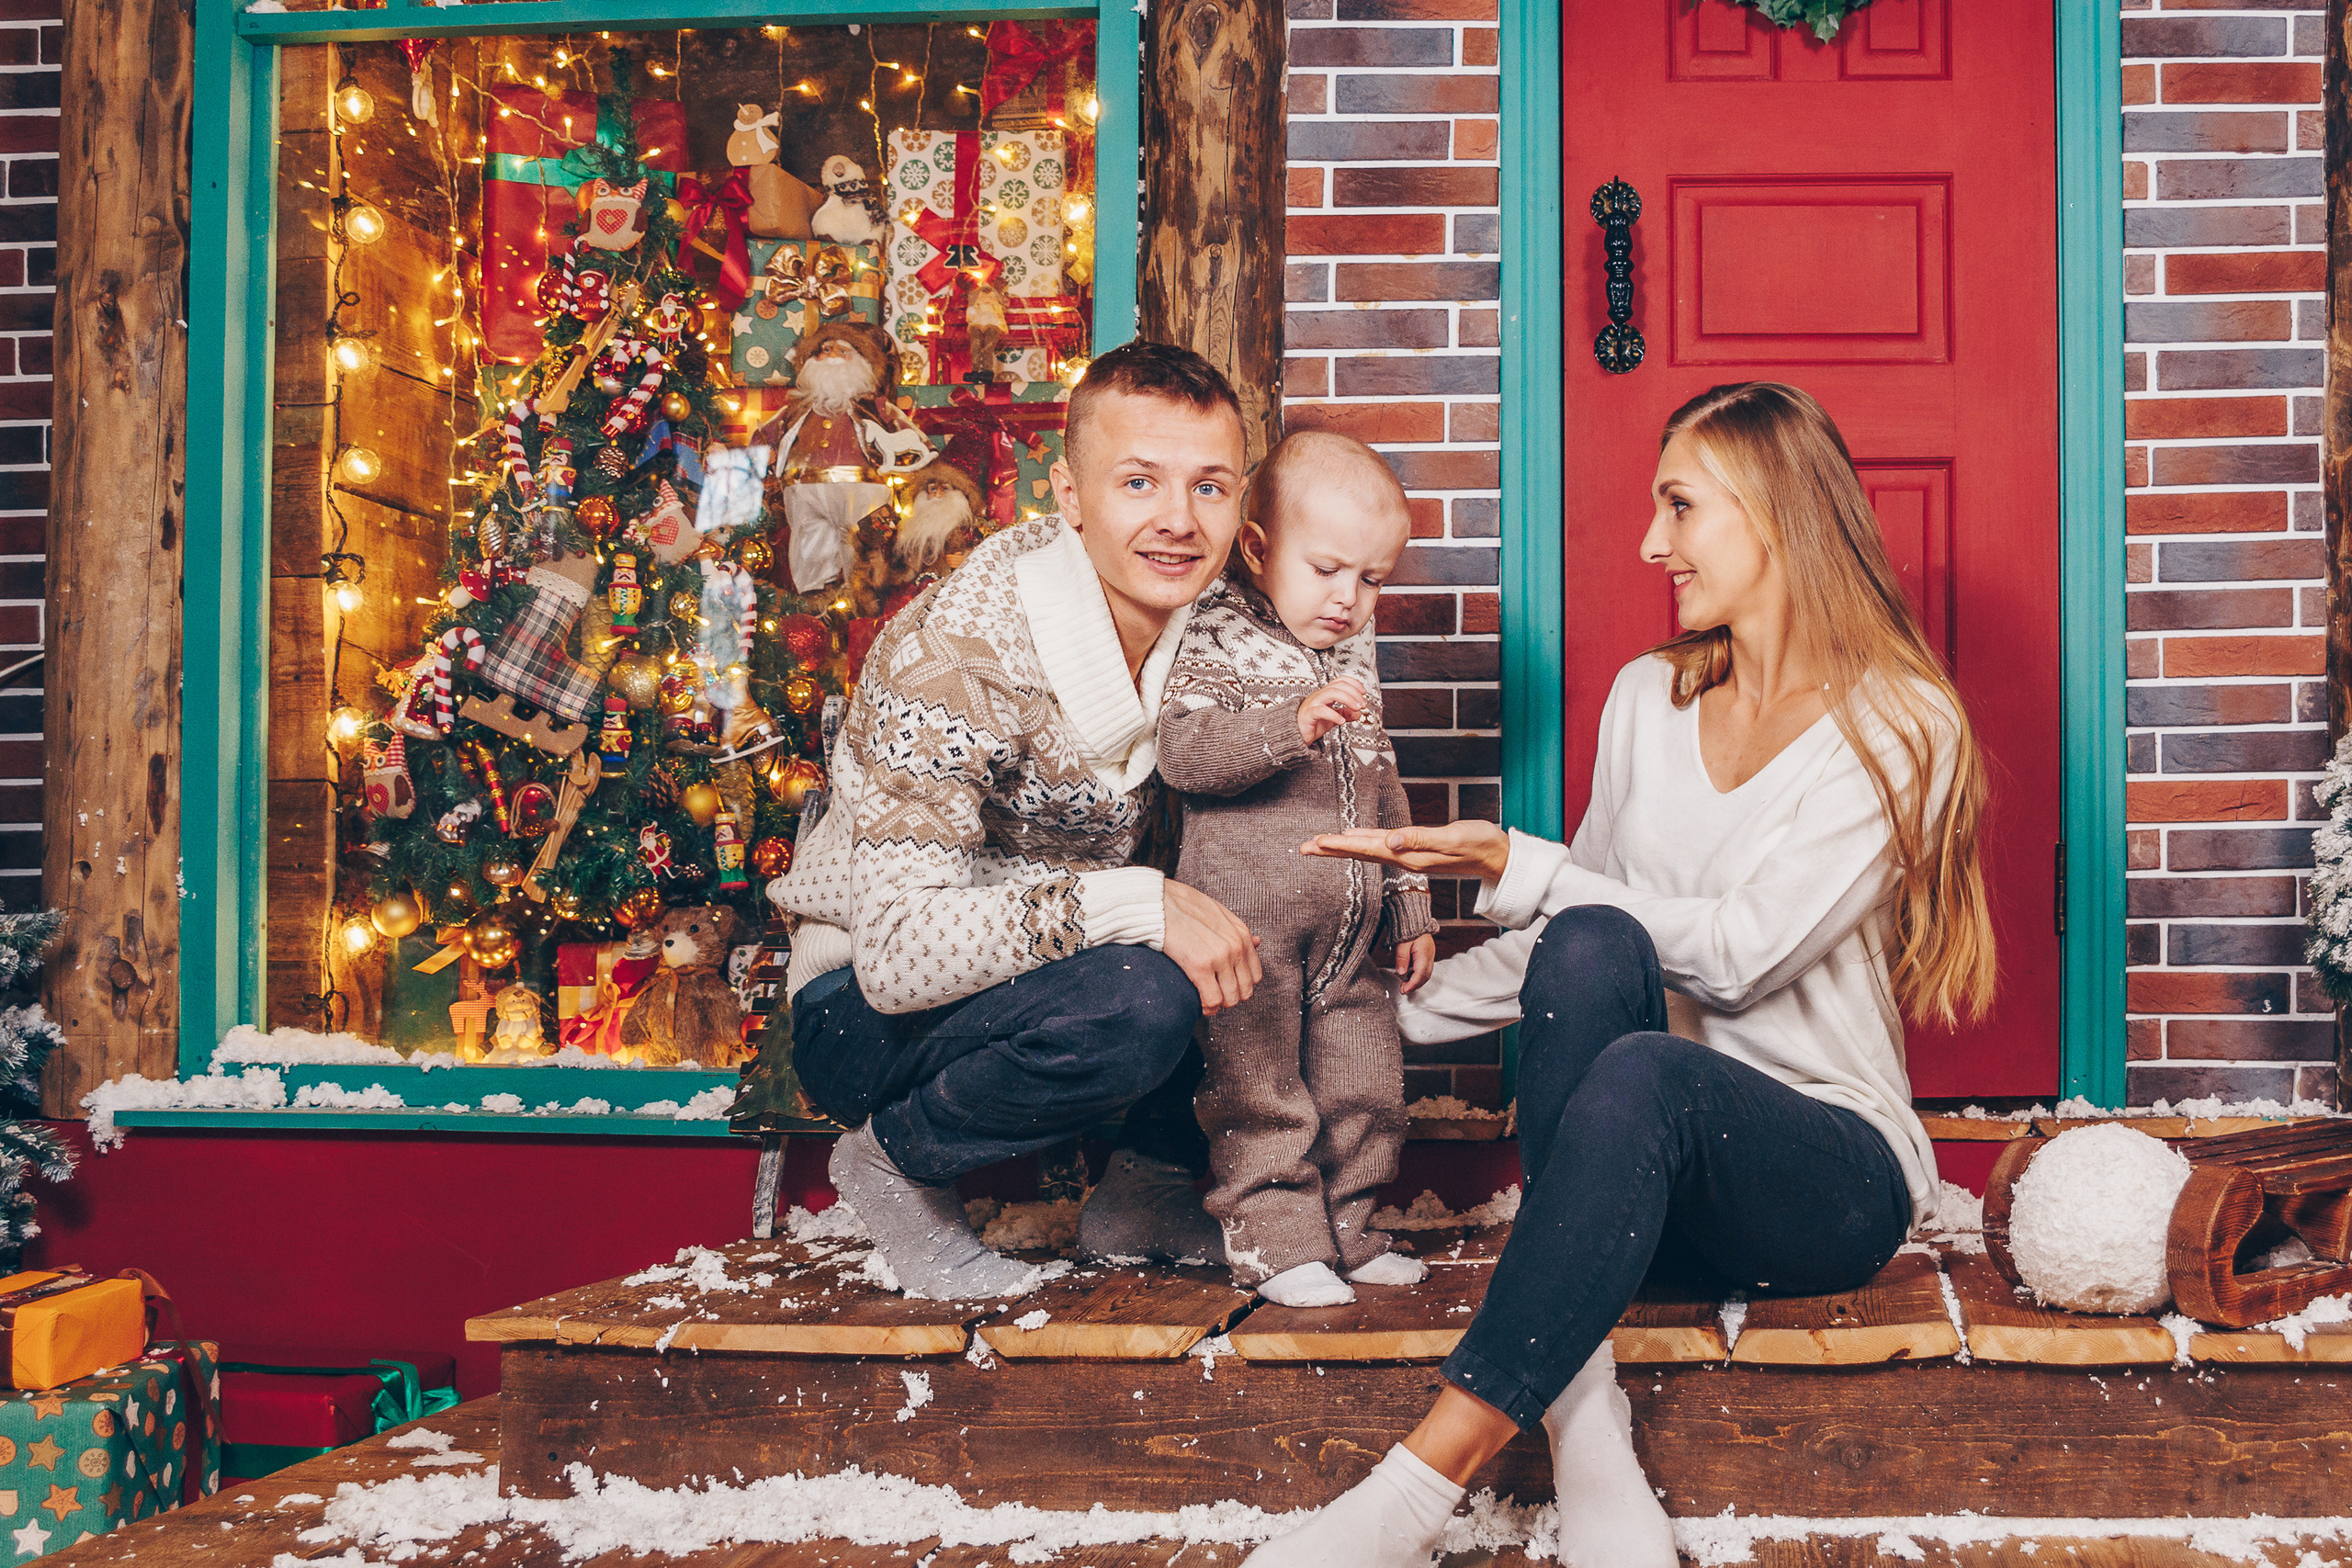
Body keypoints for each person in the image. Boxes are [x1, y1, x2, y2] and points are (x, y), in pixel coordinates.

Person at [1247, 382, 1996, 1568]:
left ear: (1773, 509)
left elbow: (1742, 955)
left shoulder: (1902, 724)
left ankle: (1407, 1497)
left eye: (1679, 505)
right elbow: (1578, 931)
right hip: (1637, 1193)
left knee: (1642, 1052)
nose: (1652, 542)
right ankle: (1588, 1422)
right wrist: (1364, 1014)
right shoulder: (1652, 696)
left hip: (1822, 1179)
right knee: (1592, 945)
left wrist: (1518, 864)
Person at [768, 340, 1265, 1300]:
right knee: (1138, 997)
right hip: (860, 1009)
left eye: (1209, 487)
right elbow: (898, 953)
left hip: (1044, 971)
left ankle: (1147, 1187)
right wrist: (1135, 904)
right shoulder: (954, 653)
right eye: (1138, 482)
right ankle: (893, 1163)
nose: (1178, 520)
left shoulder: (1211, 625)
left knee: (1260, 921)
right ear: (1069, 496)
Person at [1156, 432, 1439, 1309]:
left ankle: (1351, 1230)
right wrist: (1291, 724)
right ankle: (1273, 1242)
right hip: (1247, 931)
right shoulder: (1215, 630)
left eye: (1372, 579)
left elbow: (1383, 780)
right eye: (1326, 570)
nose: (1349, 598)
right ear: (1257, 547)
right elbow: (1185, 753)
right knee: (1259, 1089)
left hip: (1348, 929)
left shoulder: (1351, 646)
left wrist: (1410, 903)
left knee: (1364, 1080)